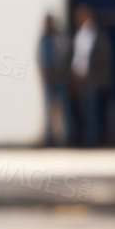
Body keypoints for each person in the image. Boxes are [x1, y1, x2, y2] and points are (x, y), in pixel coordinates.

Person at [69, 5, 112, 147]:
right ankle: (83, 139)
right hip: (79, 80)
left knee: (92, 112)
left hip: (93, 80)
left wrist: (90, 73)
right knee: (82, 112)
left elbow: (101, 58)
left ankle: (92, 141)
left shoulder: (96, 35)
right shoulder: (79, 35)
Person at [38, 15, 67, 146]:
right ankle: (50, 137)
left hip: (59, 78)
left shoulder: (59, 38)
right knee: (49, 109)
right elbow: (41, 57)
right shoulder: (44, 39)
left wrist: (59, 71)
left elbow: (64, 55)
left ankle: (65, 138)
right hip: (48, 79)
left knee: (63, 109)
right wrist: (45, 71)